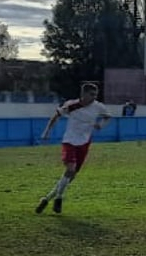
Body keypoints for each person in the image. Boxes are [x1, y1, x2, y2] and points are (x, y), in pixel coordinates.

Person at [35, 83, 112, 214]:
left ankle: (47, 198)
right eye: (91, 94)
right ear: (84, 94)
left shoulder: (98, 107)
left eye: (95, 95)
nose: (94, 97)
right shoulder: (72, 105)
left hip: (84, 143)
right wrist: (47, 131)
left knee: (71, 175)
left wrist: (101, 125)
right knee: (70, 169)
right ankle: (59, 198)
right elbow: (56, 115)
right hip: (69, 141)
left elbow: (108, 117)